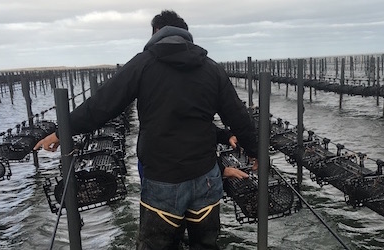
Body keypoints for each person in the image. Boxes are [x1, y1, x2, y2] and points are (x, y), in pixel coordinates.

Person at [34, 10, 258, 250]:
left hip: (163, 179)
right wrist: (256, 151)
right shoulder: (212, 68)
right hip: (206, 179)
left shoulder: (144, 63)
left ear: (156, 33)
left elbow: (101, 105)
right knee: (205, 245)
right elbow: (239, 117)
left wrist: (61, 132)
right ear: (186, 34)